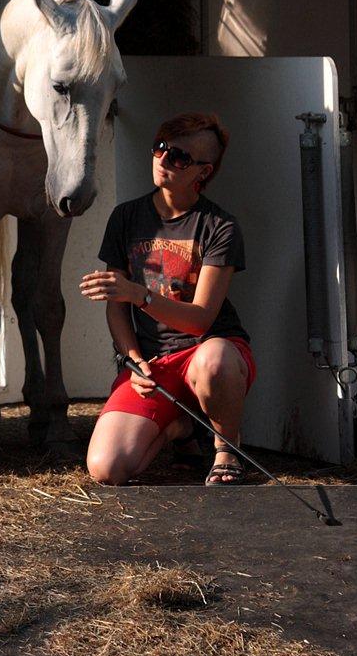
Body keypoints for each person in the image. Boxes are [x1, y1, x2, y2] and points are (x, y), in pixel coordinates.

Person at [80, 112, 254, 486]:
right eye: (160, 148)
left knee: (215, 359)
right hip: (153, 361)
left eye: (179, 157)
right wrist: (134, 358)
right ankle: (182, 429)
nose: (163, 159)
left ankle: (227, 448)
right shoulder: (126, 216)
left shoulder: (219, 227)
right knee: (107, 468)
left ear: (202, 173)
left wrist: (139, 295)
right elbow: (116, 308)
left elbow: (200, 320)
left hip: (204, 351)